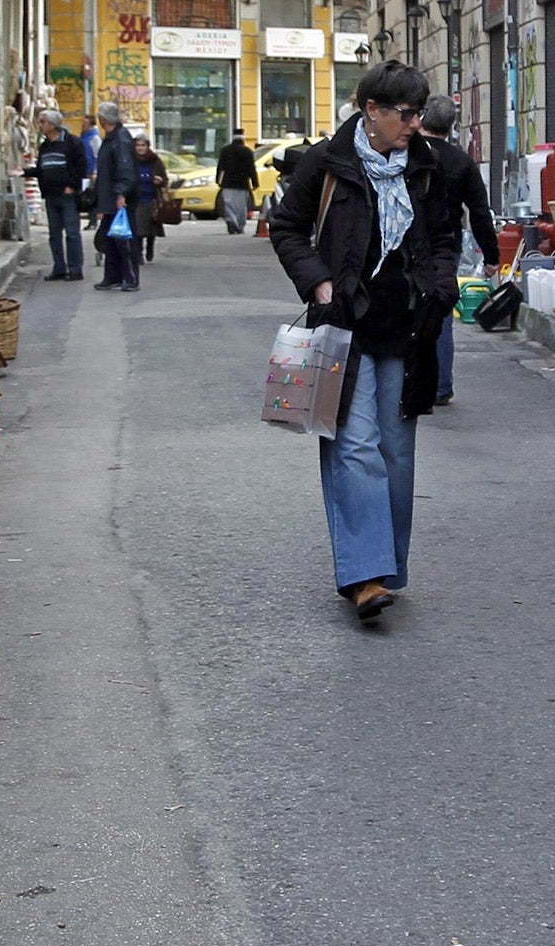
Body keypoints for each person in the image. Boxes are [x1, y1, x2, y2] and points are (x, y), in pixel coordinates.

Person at [270, 61, 461, 624]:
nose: (414, 123)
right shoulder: (328, 161)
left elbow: (446, 236)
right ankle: (364, 577)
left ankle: (385, 567)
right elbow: (287, 227)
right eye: (405, 113)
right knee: (355, 446)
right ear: (371, 111)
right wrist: (317, 279)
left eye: (419, 113)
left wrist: (440, 286)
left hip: (406, 328)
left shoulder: (428, 165)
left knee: (396, 454)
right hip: (344, 329)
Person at [418, 95, 499, 406]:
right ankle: (440, 385)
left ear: (421, 119)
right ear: (451, 126)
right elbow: (480, 212)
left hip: (405, 244)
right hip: (444, 247)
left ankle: (408, 382)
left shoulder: (405, 153)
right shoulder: (461, 162)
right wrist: (491, 257)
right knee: (441, 314)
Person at [23, 109, 87, 281]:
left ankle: (75, 269)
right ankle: (59, 268)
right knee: (54, 234)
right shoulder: (45, 146)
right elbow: (42, 168)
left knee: (72, 233)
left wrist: (72, 186)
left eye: (42, 122)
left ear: (52, 125)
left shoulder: (72, 143)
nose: (40, 125)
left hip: (67, 195)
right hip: (50, 195)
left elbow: (81, 167)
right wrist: (25, 171)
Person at [90, 102, 140, 291]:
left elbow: (125, 169)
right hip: (110, 197)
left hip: (119, 199)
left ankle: (130, 278)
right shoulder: (112, 138)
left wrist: (122, 193)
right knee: (111, 240)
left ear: (103, 120)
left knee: (124, 240)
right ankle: (113, 277)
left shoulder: (120, 140)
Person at [130, 136, 169, 263]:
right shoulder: (130, 160)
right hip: (136, 199)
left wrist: (160, 180)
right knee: (138, 228)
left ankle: (150, 246)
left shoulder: (155, 160)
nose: (140, 148)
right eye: (137, 145)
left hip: (152, 199)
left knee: (151, 227)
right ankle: (138, 254)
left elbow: (165, 179)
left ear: (147, 147)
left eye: (143, 145)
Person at [214, 128, 257, 234]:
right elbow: (251, 168)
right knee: (241, 206)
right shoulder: (247, 151)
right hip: (242, 184)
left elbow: (220, 167)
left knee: (229, 204)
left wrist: (218, 180)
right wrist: (255, 182)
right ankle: (240, 225)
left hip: (228, 183)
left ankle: (231, 221)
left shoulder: (225, 150)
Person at [80, 115, 102, 229]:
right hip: (84, 171)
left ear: (91, 124)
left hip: (91, 173)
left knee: (91, 197)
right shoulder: (84, 137)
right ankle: (91, 220)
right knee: (85, 196)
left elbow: (97, 156)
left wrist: (95, 171)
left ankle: (93, 221)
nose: (83, 125)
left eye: (85, 123)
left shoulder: (94, 138)